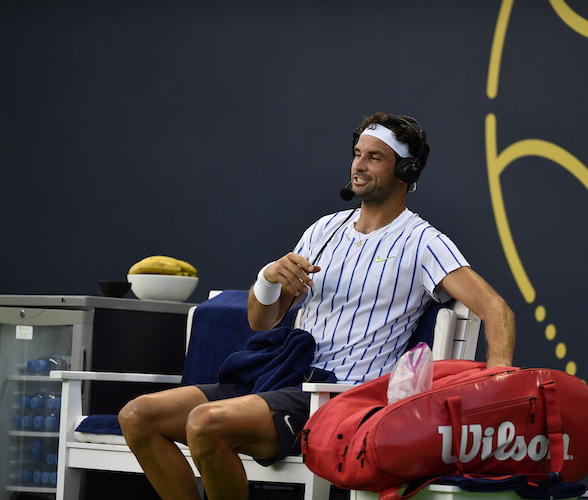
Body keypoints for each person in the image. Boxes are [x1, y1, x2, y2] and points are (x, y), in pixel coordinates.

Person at [118, 112, 516, 500]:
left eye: (374, 157)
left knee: (205, 423)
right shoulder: (324, 229)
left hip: (338, 398)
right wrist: (268, 279)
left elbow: (496, 308)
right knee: (137, 417)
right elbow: (262, 321)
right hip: (280, 377)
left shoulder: (424, 241)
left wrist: (498, 381)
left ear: (406, 171)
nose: (358, 165)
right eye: (357, 153)